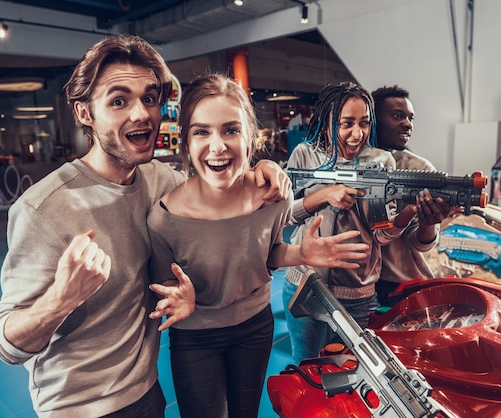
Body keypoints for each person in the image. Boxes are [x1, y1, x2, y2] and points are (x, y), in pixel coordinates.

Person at [0, 35, 290, 418]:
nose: (141, 114)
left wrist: (262, 170)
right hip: (80, 408)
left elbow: (214, 183)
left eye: (149, 98)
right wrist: (62, 298)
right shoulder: (43, 209)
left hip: (147, 393)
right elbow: (7, 345)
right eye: (119, 101)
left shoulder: (160, 181)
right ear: (84, 113)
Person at [146, 73, 369, 418]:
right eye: (202, 131)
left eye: (231, 130)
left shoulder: (272, 197)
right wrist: (177, 297)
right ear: (186, 143)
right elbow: (164, 289)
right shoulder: (164, 218)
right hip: (196, 337)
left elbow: (267, 254)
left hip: (254, 325)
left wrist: (300, 254)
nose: (217, 146)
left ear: (250, 139)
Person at [282, 81, 438, 363]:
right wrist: (323, 196)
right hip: (306, 284)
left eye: (364, 123)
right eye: (346, 124)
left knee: (353, 372)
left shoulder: (382, 160)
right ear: (328, 120)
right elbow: (284, 217)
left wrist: (411, 211)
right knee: (306, 367)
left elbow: (381, 237)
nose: (357, 134)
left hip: (358, 292)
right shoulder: (305, 155)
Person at [371, 85, 451, 306]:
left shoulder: (421, 168)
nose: (407, 124)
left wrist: (428, 222)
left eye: (410, 118)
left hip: (400, 283)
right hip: (355, 284)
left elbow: (423, 244)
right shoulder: (352, 165)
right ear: (373, 120)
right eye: (397, 116)